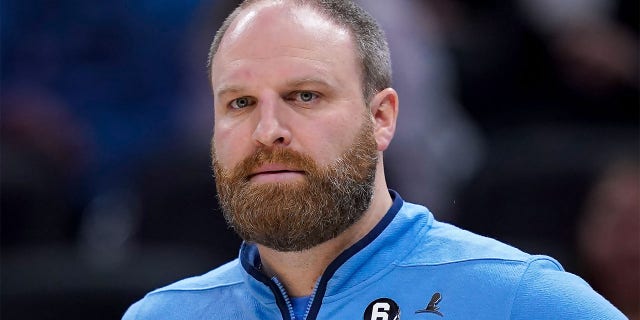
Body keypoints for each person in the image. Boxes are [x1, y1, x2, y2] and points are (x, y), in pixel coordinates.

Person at [122, 0, 625, 319]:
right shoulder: (160, 315)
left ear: (381, 117)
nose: (267, 130)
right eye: (240, 103)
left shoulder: (516, 298)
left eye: (304, 96)